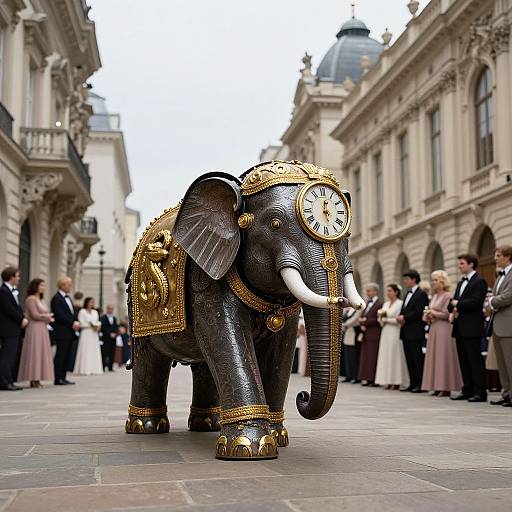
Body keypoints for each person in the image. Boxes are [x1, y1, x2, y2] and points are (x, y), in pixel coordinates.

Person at [448, 254, 488, 402]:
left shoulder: (480, 281)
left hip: (472, 327)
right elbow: (452, 302)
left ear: (471, 264)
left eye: (462, 263)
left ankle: (480, 391)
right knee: (463, 360)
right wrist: (452, 305)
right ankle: (468, 389)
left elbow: (476, 302)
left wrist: (457, 304)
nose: (459, 266)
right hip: (460, 327)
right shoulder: (460, 283)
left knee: (474, 360)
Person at [421, 271, 463, 396]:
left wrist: (432, 312)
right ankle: (436, 385)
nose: (433, 283)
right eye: (433, 280)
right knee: (434, 356)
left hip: (444, 328)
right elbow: (429, 313)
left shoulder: (448, 296)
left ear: (443, 281)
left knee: (443, 356)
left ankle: (446, 386)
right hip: (434, 328)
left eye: (436, 280)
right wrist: (428, 315)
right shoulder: (434, 297)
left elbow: (447, 313)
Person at [17, 279, 55, 388]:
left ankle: (38, 377)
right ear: (35, 286)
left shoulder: (40, 300)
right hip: (34, 328)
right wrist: (47, 316)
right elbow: (34, 315)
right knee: (35, 352)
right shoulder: (31, 299)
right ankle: (33, 378)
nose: (43, 287)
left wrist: (47, 318)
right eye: (41, 285)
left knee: (41, 352)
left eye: (44, 285)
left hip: (42, 328)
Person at [397, 269, 429, 393]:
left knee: (417, 359)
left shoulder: (421, 294)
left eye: (407, 279)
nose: (405, 281)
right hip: (406, 331)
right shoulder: (407, 294)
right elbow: (404, 309)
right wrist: (401, 316)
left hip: (416, 331)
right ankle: (413, 382)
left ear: (414, 279)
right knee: (409, 358)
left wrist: (404, 317)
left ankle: (421, 384)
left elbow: (419, 311)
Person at [488, 245, 512, 407]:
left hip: (508, 324)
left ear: (507, 256)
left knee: (510, 362)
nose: (495, 258)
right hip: (497, 324)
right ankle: (506, 393)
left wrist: (491, 302)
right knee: (502, 364)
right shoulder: (500, 276)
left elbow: (509, 296)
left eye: (498, 255)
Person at [375, 284, 409, 389]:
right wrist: (381, 319)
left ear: (396, 292)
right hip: (385, 332)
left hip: (395, 331)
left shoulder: (400, 304)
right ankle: (387, 380)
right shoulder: (385, 304)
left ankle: (397, 381)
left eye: (390, 291)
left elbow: (399, 319)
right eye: (387, 291)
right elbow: (380, 319)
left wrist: (387, 320)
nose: (388, 293)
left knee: (395, 354)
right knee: (386, 354)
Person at [0, 267, 28, 391]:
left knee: (12, 356)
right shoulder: (3, 291)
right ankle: (4, 382)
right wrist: (21, 319)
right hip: (8, 329)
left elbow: (16, 308)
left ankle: (9, 380)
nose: (19, 278)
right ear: (11, 277)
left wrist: (22, 317)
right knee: (7, 356)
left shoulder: (11, 291)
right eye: (17, 276)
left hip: (14, 328)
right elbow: (9, 309)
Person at [51, 276, 80, 385]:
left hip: (69, 332)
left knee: (67, 355)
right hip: (62, 332)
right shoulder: (56, 298)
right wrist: (72, 323)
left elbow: (71, 313)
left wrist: (75, 321)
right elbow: (59, 315)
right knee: (60, 355)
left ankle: (63, 376)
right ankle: (58, 378)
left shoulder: (68, 298)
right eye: (68, 284)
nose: (70, 286)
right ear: (62, 285)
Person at [357, 283, 383, 386]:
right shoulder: (367, 303)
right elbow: (363, 315)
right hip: (366, 333)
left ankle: (373, 379)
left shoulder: (380, 303)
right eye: (367, 291)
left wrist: (365, 321)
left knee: (373, 357)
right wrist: (361, 322)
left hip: (374, 333)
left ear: (375, 291)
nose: (367, 293)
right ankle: (367, 377)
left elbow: (378, 318)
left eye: (369, 290)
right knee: (366, 357)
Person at [74, 297, 103, 375]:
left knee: (94, 350)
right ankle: (84, 369)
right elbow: (81, 323)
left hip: (94, 333)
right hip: (86, 333)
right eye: (90, 302)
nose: (91, 304)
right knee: (85, 350)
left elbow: (97, 321)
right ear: (86, 303)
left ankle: (94, 369)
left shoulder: (95, 312)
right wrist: (90, 325)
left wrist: (97, 326)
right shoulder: (82, 311)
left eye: (93, 302)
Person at [342, 306, 362, 383]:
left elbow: (354, 320)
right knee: (348, 356)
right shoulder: (349, 310)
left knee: (354, 356)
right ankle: (348, 375)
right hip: (347, 334)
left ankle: (355, 376)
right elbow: (343, 317)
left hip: (354, 334)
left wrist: (344, 325)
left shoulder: (358, 309)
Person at [67, 291, 84, 373]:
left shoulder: (75, 306)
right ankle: (71, 365)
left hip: (75, 328)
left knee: (73, 349)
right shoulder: (77, 308)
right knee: (74, 349)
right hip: (75, 328)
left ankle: (71, 365)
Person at [100, 304, 119, 372]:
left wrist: (115, 333)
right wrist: (109, 334)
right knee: (105, 353)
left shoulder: (114, 318)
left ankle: (110, 367)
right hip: (106, 338)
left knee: (112, 352)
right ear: (107, 309)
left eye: (111, 309)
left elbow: (116, 327)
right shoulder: (103, 318)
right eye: (109, 309)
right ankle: (103, 367)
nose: (110, 310)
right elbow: (103, 327)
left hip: (113, 339)